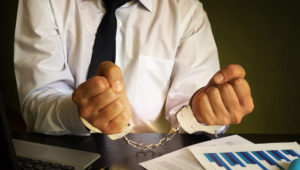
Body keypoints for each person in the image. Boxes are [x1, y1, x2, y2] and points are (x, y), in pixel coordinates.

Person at [14, 0, 254, 136]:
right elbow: (36, 102)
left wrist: (204, 113)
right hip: (66, 159)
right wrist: (77, 113)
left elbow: (188, 118)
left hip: (153, 168)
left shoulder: (186, 12)